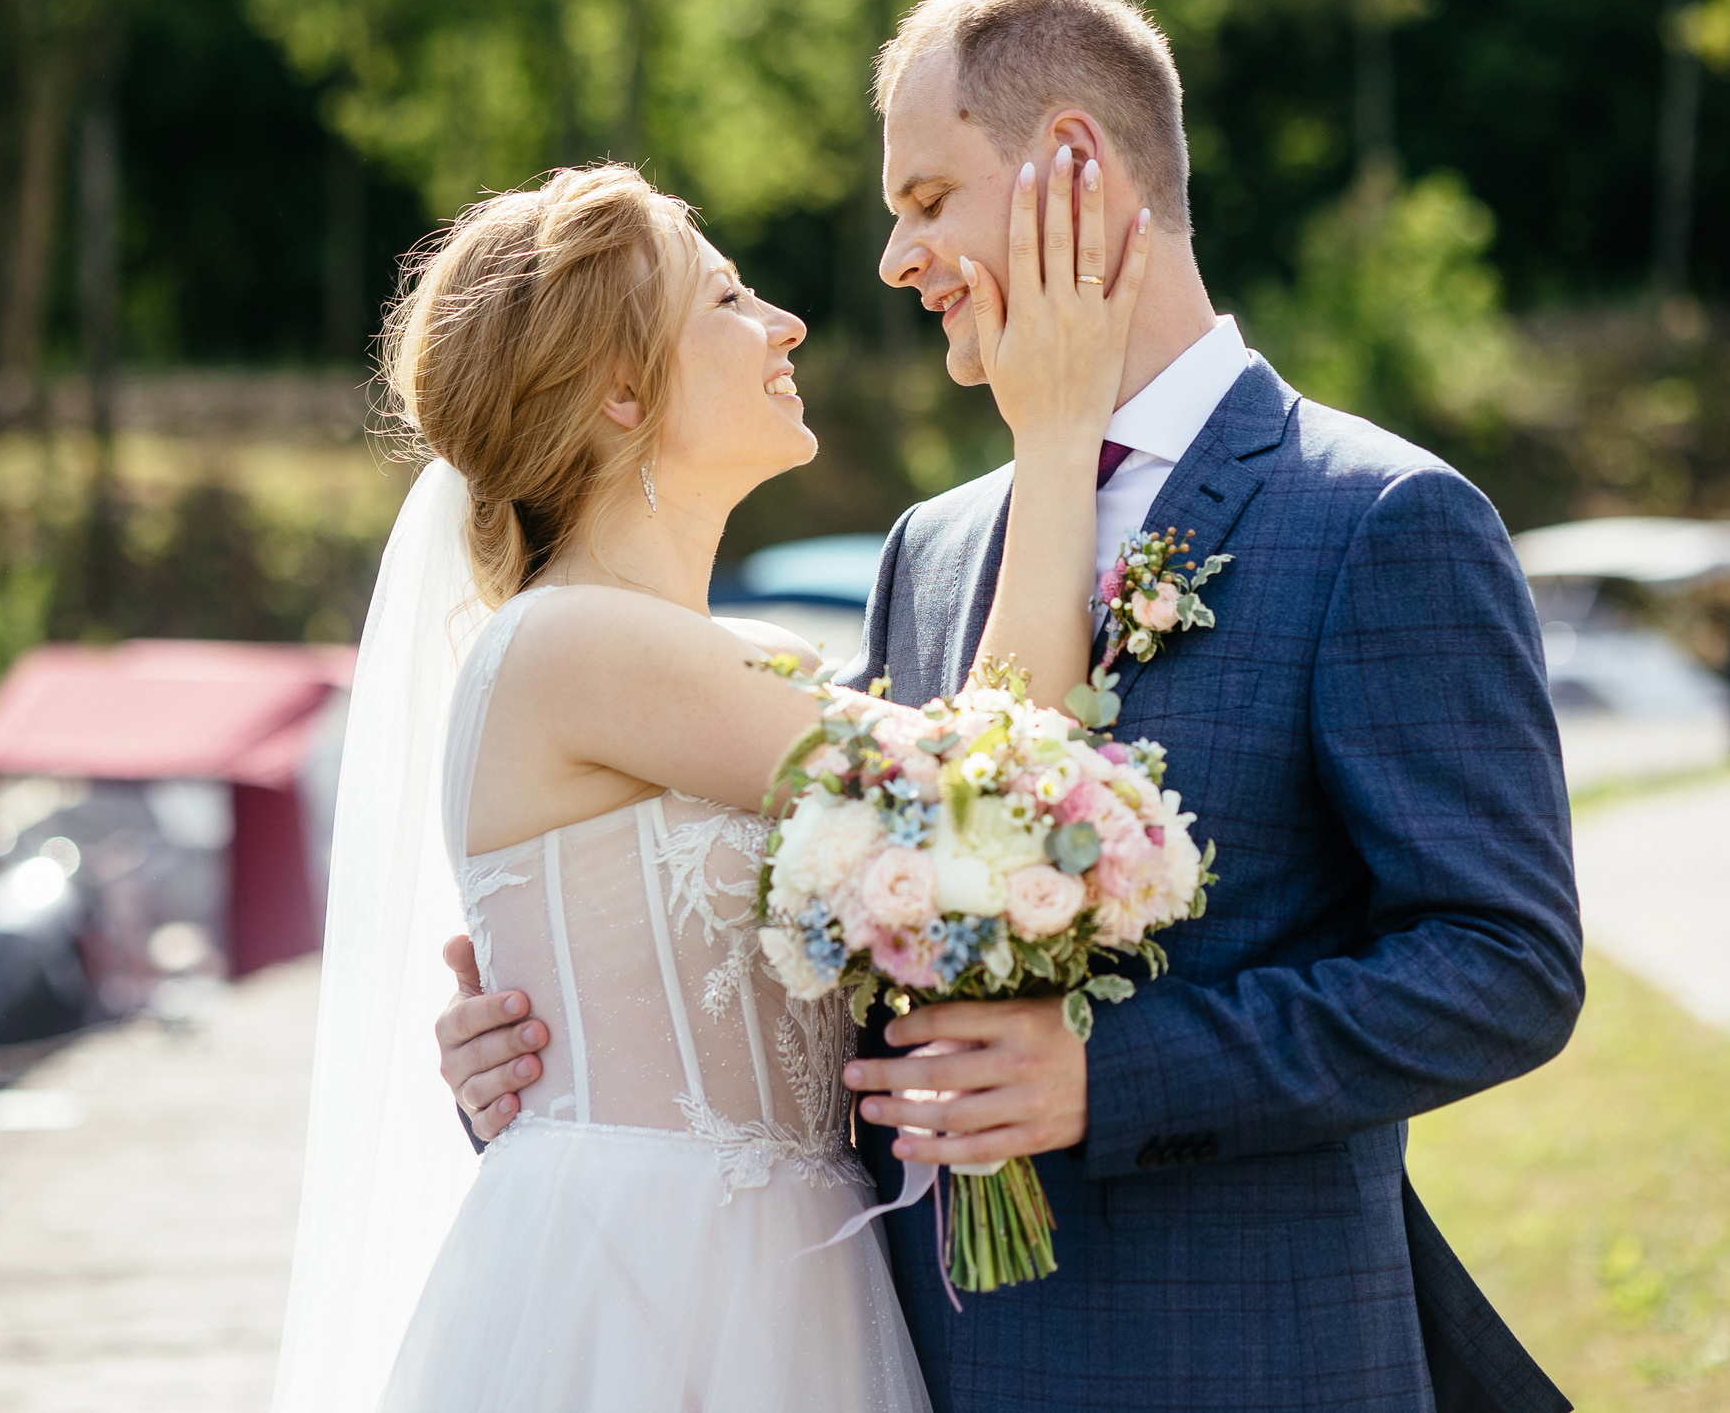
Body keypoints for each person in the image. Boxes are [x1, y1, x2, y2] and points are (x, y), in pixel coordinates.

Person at [435, 0, 1586, 1412]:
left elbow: (1504, 963)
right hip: (901, 1360)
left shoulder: (1375, 518)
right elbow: (867, 916)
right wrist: (568, 1055)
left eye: (924, 199)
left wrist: (1117, 1071)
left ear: (1072, 166)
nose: (890, 259)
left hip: (1244, 1362)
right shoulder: (937, 548)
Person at [277, 153, 1159, 1412]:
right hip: (656, 1277)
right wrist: (1060, 437)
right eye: (731, 298)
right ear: (623, 392)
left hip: (793, 1265)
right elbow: (987, 812)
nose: (785, 321)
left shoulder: (755, 664)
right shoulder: (570, 641)